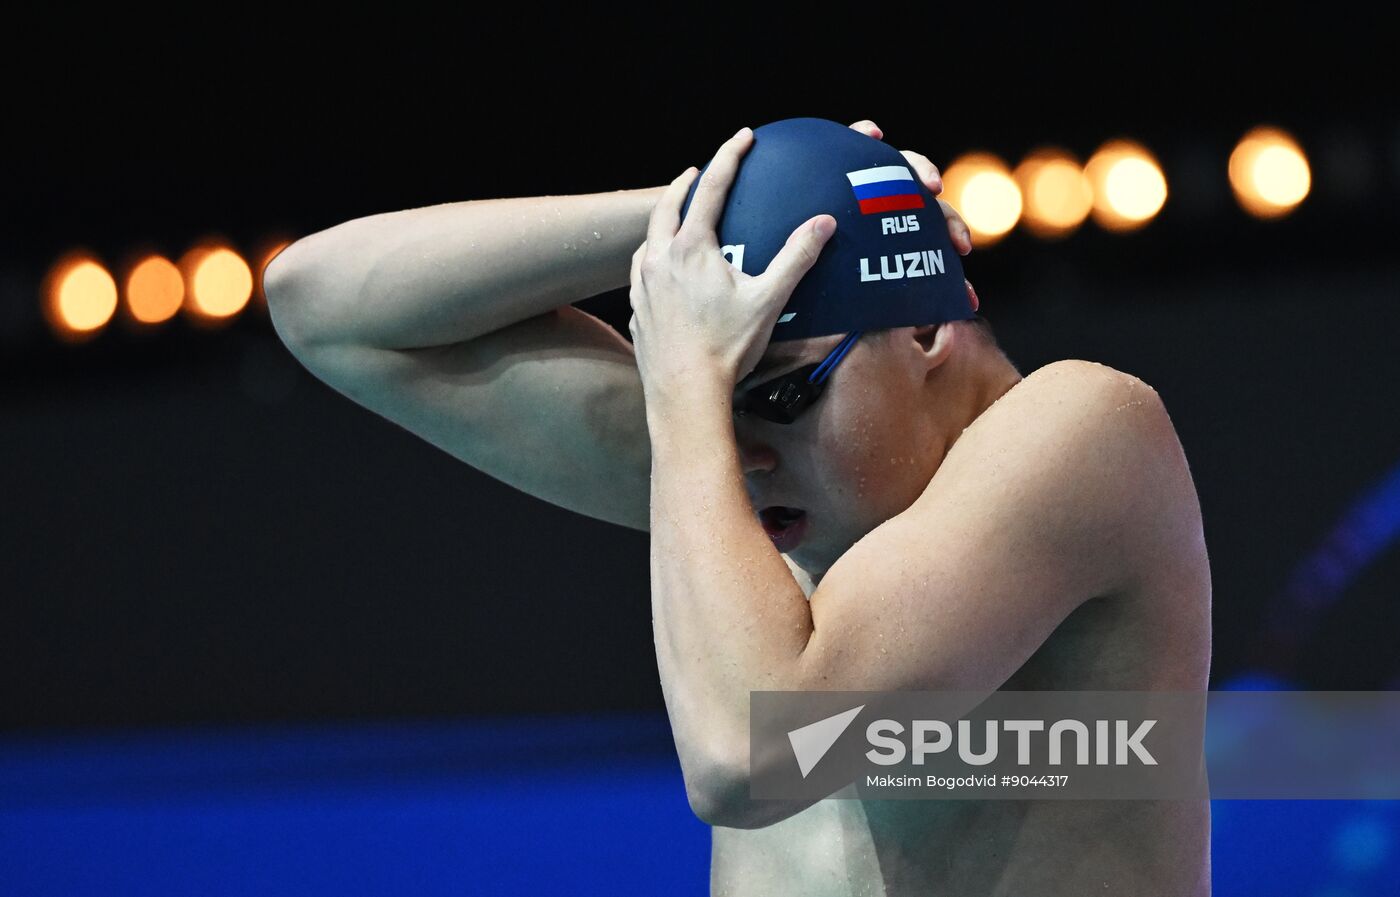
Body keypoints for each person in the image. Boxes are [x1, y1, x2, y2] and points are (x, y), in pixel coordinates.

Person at [263, 117, 1212, 895]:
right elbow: (322, 307)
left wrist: (685, 396)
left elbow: (747, 758)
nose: (745, 454)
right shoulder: (765, 473)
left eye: (784, 393)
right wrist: (695, 216)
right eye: (720, 406)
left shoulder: (1085, 428)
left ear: (925, 326)